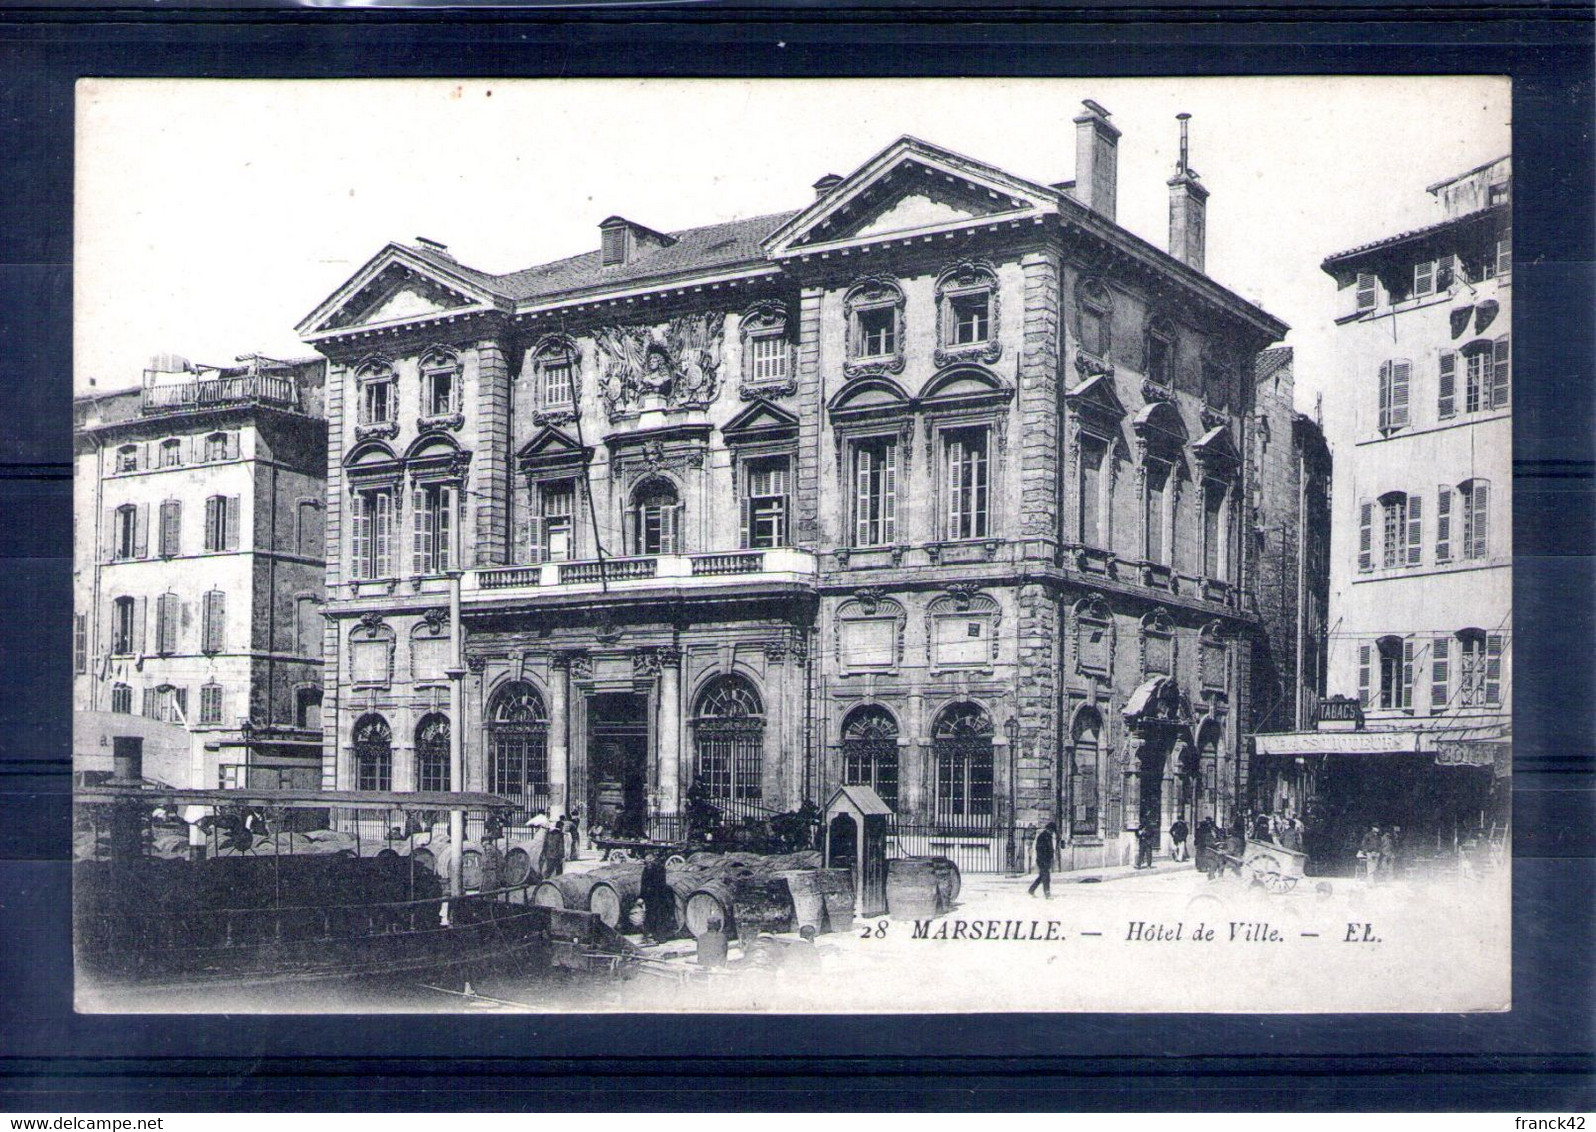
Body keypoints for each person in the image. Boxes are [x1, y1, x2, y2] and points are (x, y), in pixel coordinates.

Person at [641, 849, 676, 942]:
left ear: (651, 858)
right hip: (656, 896)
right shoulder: (657, 868)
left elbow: (647, 884)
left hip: (654, 896)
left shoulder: (653, 868)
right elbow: (645, 884)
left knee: (654, 916)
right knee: (656, 916)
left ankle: (653, 936)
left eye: (648, 858)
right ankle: (655, 936)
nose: (647, 860)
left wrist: (643, 895)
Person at [1028, 822, 1057, 899]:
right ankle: (1047, 893)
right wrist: (1044, 858)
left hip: (1046, 859)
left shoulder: (1048, 836)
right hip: (1042, 860)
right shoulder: (1042, 836)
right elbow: (1040, 849)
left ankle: (1031, 890)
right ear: (1049, 829)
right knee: (1046, 877)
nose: (1053, 832)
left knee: (1042, 876)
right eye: (1052, 830)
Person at [541, 813, 567, 878]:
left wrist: (544, 853)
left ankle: (544, 881)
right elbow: (561, 847)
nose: (563, 828)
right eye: (563, 827)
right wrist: (562, 856)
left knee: (549, 870)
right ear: (561, 827)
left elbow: (545, 844)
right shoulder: (560, 835)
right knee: (559, 872)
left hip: (549, 855)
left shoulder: (549, 833)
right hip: (557, 856)